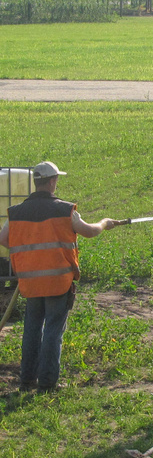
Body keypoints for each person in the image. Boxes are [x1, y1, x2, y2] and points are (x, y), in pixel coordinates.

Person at [0, 161, 117, 393]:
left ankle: (26, 381)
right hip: (57, 282)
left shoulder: (17, 212)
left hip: (30, 283)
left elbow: (4, 239)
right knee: (53, 330)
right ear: (52, 181)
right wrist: (104, 223)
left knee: (32, 330)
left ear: (36, 182)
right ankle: (47, 383)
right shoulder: (65, 210)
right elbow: (89, 231)